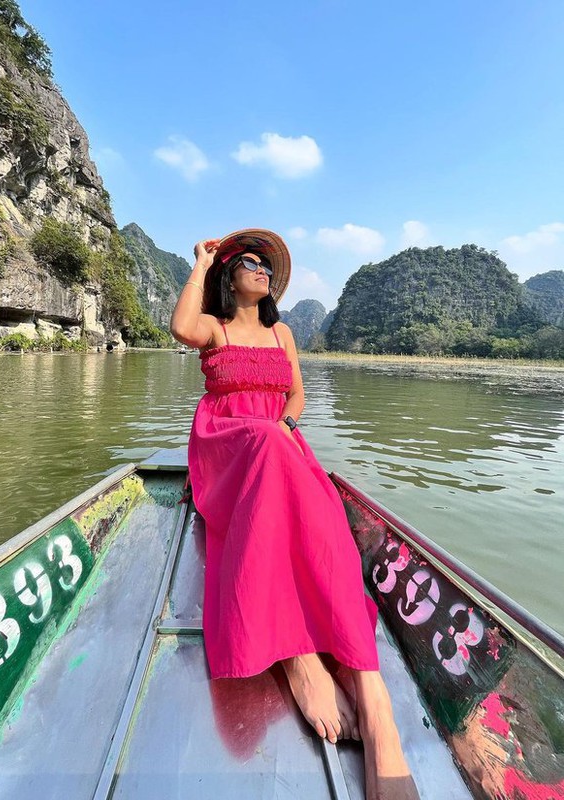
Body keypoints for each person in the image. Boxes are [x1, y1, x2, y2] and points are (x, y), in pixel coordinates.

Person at [170, 229, 419, 800]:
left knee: (325, 523)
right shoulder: (216, 328)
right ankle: (299, 658)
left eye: (265, 265)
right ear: (228, 277)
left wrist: (284, 424)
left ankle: (374, 702)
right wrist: (201, 263)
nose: (260, 269)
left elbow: (297, 398)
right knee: (276, 458)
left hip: (278, 443)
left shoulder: (283, 333)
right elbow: (182, 327)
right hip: (228, 447)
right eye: (248, 263)